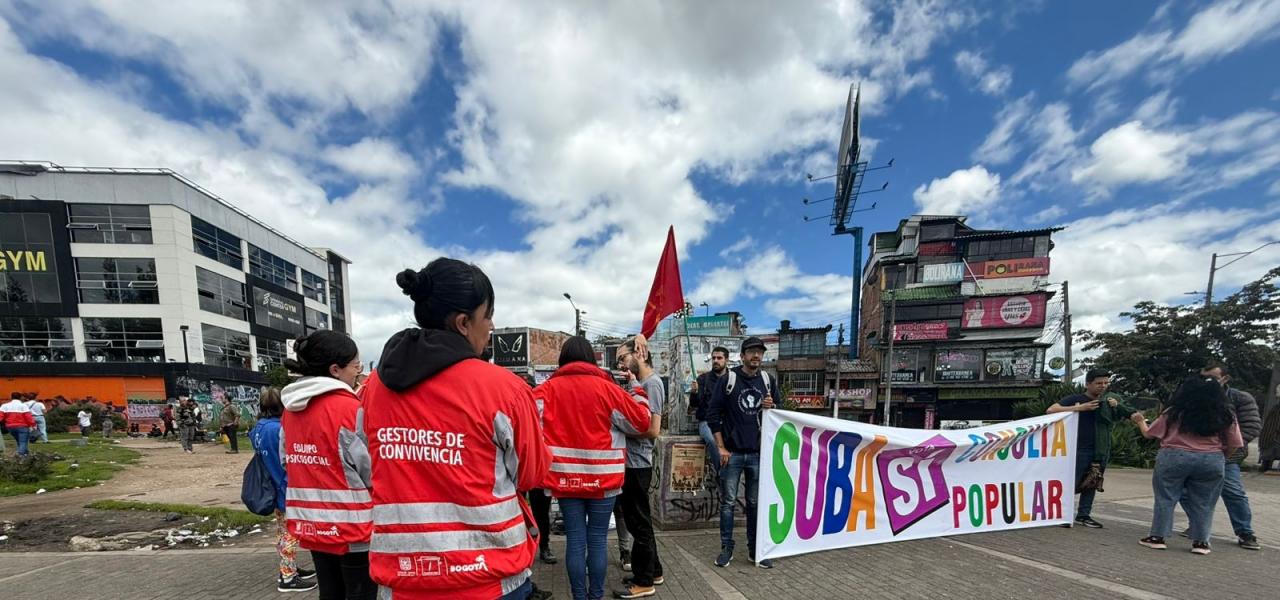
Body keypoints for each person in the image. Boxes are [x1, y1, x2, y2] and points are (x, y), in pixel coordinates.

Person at [360, 258, 550, 600]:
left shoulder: (373, 388)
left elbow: (368, 466)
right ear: (464, 323)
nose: (491, 326)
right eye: (488, 315)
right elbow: (532, 474)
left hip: (402, 580)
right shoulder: (504, 389)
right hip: (489, 578)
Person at [535, 336, 655, 600]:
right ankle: (596, 596)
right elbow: (642, 421)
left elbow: (526, 429)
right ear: (591, 358)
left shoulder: (544, 391)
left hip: (565, 479)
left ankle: (579, 596)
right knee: (598, 539)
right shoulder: (609, 390)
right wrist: (636, 389)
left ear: (563, 359)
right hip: (604, 480)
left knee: (575, 540)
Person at [281, 330, 374, 600]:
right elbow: (370, 469)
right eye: (356, 366)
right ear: (335, 369)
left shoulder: (291, 410)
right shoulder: (349, 409)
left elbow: (286, 460)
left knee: (330, 593)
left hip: (311, 523)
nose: (357, 372)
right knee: (360, 594)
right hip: (351, 527)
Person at [1137, 376, 1243, 554]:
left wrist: (1140, 421)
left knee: (1166, 498)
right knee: (1205, 502)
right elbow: (1234, 443)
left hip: (1173, 456)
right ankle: (1201, 542)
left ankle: (1157, 537)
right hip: (1211, 458)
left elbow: (1150, 434)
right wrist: (1221, 457)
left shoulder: (1175, 411)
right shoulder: (1225, 414)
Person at [705, 337, 780, 569]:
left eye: (760, 352)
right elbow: (712, 415)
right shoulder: (729, 379)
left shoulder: (767, 380)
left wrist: (772, 407)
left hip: (758, 454)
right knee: (728, 503)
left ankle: (755, 550)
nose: (756, 356)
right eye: (751, 352)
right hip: (733, 454)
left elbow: (779, 414)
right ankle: (726, 548)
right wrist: (720, 447)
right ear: (742, 356)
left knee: (755, 504)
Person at [1046, 369, 1144, 528]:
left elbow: (1128, 413)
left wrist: (1118, 407)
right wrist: (1080, 408)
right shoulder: (1076, 399)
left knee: (1093, 481)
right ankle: (1061, 514)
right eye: (1098, 383)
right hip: (1079, 448)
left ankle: (1084, 515)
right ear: (1088, 384)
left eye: (1106, 383)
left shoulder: (1110, 400)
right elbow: (1051, 410)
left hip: (1101, 448)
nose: (1102, 386)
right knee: (1071, 482)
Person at [250, 387, 319, 593]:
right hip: (285, 486)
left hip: (271, 486)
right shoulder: (279, 429)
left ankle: (289, 568)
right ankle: (287, 577)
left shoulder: (258, 428)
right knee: (291, 533)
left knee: (282, 531)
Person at [612, 336, 665, 599]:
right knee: (638, 521)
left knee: (639, 523)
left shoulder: (651, 384)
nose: (621, 365)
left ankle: (644, 582)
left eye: (623, 358)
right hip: (633, 463)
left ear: (640, 354)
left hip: (637, 464)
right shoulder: (640, 384)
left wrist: (622, 427)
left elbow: (653, 430)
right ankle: (653, 571)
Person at [1187, 363, 1262, 550]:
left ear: (1225, 378)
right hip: (1194, 453)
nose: (1206, 382)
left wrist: (1227, 446)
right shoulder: (1193, 396)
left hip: (1227, 455)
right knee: (1181, 490)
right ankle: (1198, 525)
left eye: (1212, 378)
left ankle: (1245, 532)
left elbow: (1252, 426)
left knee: (1233, 492)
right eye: (1203, 377)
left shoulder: (1240, 398)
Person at [691, 347, 730, 480]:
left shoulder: (733, 379)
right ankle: (723, 475)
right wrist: (694, 392)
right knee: (713, 441)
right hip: (707, 422)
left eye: (719, 358)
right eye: (713, 358)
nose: (715, 361)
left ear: (726, 360)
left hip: (727, 421)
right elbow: (695, 404)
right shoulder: (703, 379)